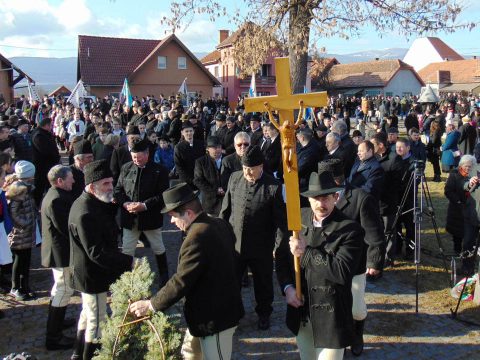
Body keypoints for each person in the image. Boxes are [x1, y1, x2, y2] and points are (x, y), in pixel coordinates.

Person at [129, 183, 244, 360]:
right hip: (207, 316)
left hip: (215, 320)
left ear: (189, 214)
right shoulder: (219, 223)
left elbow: (181, 280)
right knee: (190, 354)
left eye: (173, 217)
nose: (172, 222)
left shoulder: (196, 237)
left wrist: (151, 305)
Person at [275, 171, 364, 360]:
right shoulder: (297, 220)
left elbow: (341, 272)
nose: (320, 204)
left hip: (331, 319)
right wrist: (288, 288)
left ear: (336, 197)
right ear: (308, 200)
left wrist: (306, 253)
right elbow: (282, 259)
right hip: (301, 313)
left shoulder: (350, 229)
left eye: (325, 198)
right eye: (316, 198)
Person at [69, 160, 133, 360]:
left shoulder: (90, 202)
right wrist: (127, 261)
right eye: (105, 184)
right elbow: (96, 252)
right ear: (91, 187)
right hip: (92, 275)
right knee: (97, 320)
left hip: (89, 272)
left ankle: (77, 353)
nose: (110, 187)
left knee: (86, 315)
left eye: (111, 182)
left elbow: (104, 220)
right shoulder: (85, 212)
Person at [220, 145, 288, 330]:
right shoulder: (235, 178)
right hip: (235, 245)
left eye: (251, 169)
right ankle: (233, 314)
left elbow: (281, 223)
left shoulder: (273, 187)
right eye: (244, 169)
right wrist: (220, 237)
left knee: (263, 284)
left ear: (261, 167)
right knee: (231, 283)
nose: (247, 173)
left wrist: (278, 247)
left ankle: (264, 313)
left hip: (261, 247)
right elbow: (225, 211)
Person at [114, 139, 170, 287]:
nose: (136, 160)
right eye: (133, 157)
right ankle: (126, 278)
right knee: (127, 249)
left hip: (150, 217)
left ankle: (164, 275)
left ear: (147, 154)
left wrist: (144, 205)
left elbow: (163, 195)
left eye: (139, 157)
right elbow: (118, 190)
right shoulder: (126, 168)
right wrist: (125, 204)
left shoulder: (160, 170)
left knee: (158, 247)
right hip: (129, 217)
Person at [41, 165, 76, 350]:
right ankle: (54, 337)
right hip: (60, 253)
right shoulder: (56, 200)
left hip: (58, 251)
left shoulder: (54, 195)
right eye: (71, 178)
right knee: (63, 290)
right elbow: (65, 228)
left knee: (59, 290)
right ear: (60, 181)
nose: (74, 180)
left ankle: (58, 323)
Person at [6, 161, 38, 301]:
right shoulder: (18, 190)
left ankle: (24, 286)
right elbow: (14, 213)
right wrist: (26, 223)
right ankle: (15, 287)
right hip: (20, 234)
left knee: (26, 261)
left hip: (27, 233)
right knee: (18, 262)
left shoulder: (27, 188)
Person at [371, 132, 403, 266]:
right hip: (375, 201)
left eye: (373, 144)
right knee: (377, 230)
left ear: (381, 145)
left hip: (387, 201)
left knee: (388, 230)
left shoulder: (394, 158)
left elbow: (396, 183)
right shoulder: (374, 156)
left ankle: (388, 258)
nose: (371, 147)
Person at [445, 155, 479, 274]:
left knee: (469, 236)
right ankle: (458, 250)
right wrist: (458, 201)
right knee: (458, 232)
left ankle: (468, 256)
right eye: (466, 166)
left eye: (471, 166)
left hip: (470, 209)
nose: (468, 169)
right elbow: (449, 190)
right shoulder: (455, 174)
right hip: (458, 208)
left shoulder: (474, 174)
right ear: (461, 166)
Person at [31, 117, 61, 207]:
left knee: (49, 186)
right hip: (42, 166)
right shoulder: (38, 135)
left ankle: (49, 204)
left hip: (48, 165)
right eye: (51, 125)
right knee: (40, 187)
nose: (51, 127)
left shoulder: (44, 133)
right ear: (46, 125)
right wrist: (55, 158)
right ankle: (37, 206)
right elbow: (46, 151)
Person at [193, 136, 224, 216]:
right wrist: (215, 190)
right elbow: (198, 180)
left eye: (219, 147)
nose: (217, 149)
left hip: (226, 201)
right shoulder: (201, 162)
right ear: (207, 149)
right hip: (210, 202)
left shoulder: (228, 160)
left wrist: (225, 189)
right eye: (214, 147)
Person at [174, 121, 205, 188]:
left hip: (201, 178)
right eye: (186, 131)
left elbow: (205, 161)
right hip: (187, 181)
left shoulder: (200, 144)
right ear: (182, 132)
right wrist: (191, 180)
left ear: (193, 131)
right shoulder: (179, 147)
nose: (189, 133)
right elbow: (179, 167)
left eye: (191, 131)